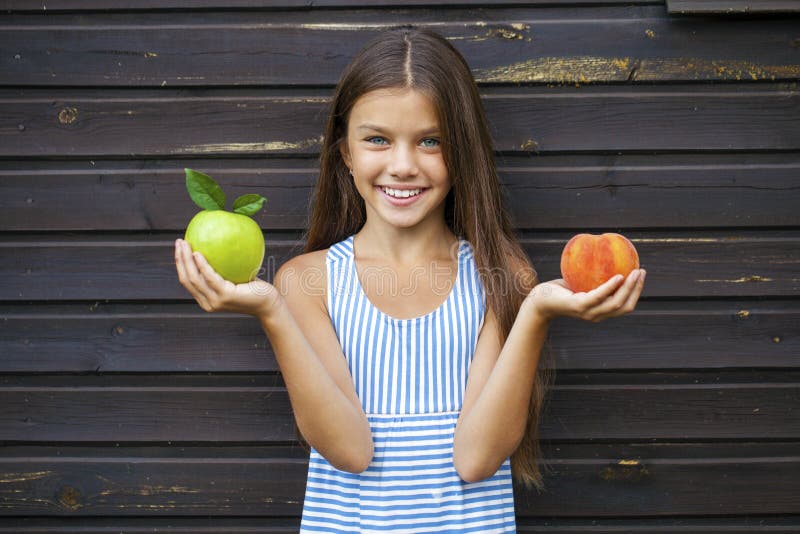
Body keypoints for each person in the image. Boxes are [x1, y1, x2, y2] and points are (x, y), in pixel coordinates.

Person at [174, 27, 646, 533]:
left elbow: (476, 460)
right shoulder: (308, 281)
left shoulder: (503, 275)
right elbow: (351, 451)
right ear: (346, 154)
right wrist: (270, 310)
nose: (402, 166)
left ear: (462, 152)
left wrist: (535, 311)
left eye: (431, 141)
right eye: (377, 139)